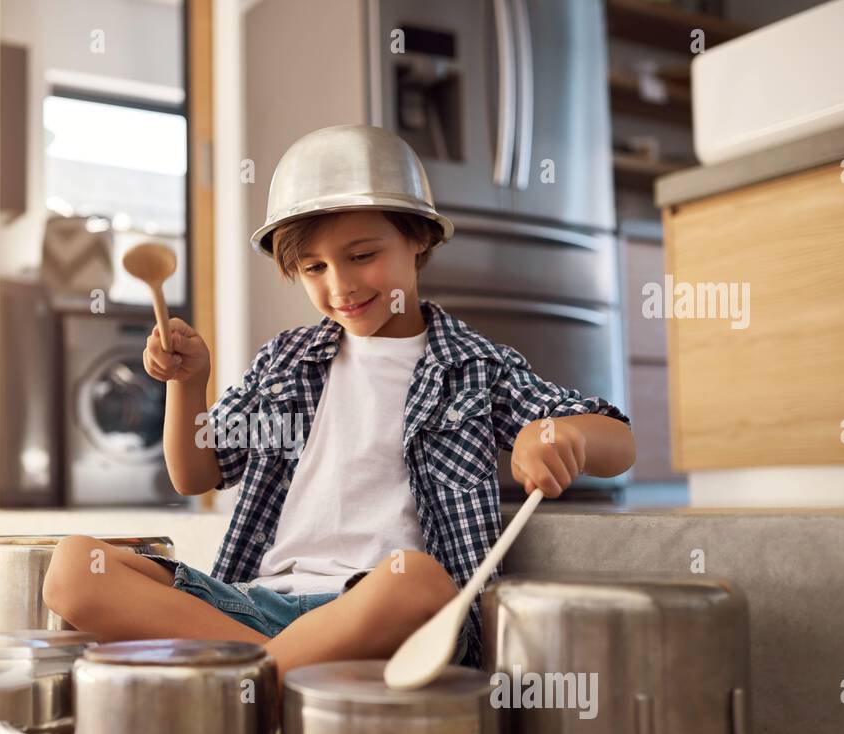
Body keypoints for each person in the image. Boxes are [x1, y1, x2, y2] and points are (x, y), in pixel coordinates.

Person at [43, 125, 634, 679]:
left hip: (379, 611)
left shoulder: (475, 367)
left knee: (420, 579)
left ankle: (234, 682)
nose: (340, 286)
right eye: (314, 267)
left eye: (362, 256)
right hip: (252, 606)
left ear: (418, 237)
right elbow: (194, 473)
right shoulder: (286, 360)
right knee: (74, 568)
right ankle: (267, 674)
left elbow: (618, 442)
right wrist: (187, 383)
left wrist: (558, 434)